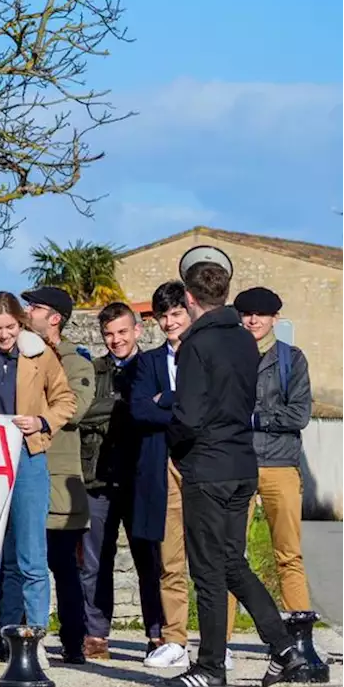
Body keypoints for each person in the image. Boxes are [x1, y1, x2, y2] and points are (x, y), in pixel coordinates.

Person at [166, 261, 305, 687]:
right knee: (231, 563)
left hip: (207, 467)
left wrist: (169, 434)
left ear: (190, 299)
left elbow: (188, 416)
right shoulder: (247, 343)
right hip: (243, 463)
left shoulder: (196, 345)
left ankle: (210, 669)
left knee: (208, 573)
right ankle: (284, 647)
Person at [0, 291, 75, 674]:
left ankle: (36, 639)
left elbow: (66, 401)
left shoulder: (41, 356)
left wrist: (41, 422)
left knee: (32, 555)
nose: (3, 335)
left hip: (28, 456)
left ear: (21, 324)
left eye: (9, 327)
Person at [222, 287, 313, 639]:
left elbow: (299, 413)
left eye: (261, 314)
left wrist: (254, 419)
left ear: (275, 317)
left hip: (280, 464)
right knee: (230, 555)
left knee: (288, 553)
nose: (253, 320)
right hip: (238, 462)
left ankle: (300, 637)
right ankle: (222, 643)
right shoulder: (230, 357)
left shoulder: (293, 359)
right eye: (247, 313)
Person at [80, 301, 165, 663]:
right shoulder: (92, 370)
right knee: (94, 560)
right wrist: (133, 405)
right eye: (109, 334)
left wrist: (143, 406)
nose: (116, 340)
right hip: (98, 477)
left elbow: (165, 412)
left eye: (122, 332)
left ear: (138, 331)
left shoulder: (155, 368)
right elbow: (81, 412)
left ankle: (157, 634)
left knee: (150, 559)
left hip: (142, 477)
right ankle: (96, 634)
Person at [22, 287, 95, 667]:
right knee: (18, 564)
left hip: (58, 479)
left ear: (55, 318)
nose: (26, 312)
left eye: (34, 307)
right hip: (21, 474)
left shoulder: (75, 363)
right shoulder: (17, 356)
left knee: (64, 566)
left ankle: (73, 641)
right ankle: (16, 637)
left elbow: (77, 410)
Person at [129, 282, 197, 670]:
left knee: (212, 558)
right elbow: (140, 410)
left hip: (202, 463)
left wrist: (166, 398)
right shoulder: (149, 363)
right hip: (164, 464)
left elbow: (204, 404)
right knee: (171, 560)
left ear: (189, 313)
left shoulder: (206, 354)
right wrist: (178, 403)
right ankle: (174, 638)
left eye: (176, 314)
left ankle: (216, 643)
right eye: (163, 316)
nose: (170, 322)